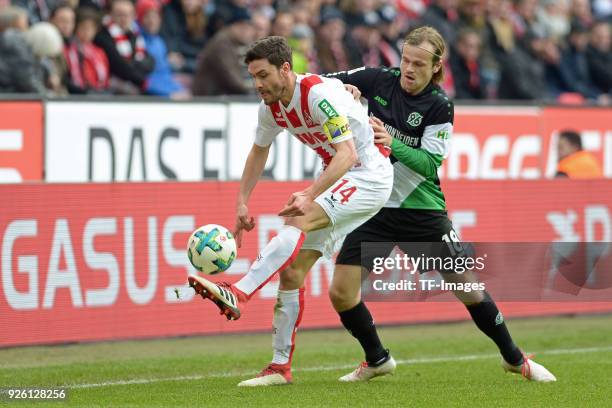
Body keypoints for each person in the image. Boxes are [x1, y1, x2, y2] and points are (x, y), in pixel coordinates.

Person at [324, 26, 556, 383]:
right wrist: (343, 90)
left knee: (468, 288)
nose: (409, 69)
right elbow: (319, 83)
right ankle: (377, 359)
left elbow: (430, 163)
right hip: (376, 206)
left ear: (436, 67)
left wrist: (392, 142)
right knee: (341, 293)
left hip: (422, 210)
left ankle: (514, 358)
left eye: (419, 63)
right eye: (405, 60)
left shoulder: (439, 105)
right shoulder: (376, 79)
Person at [187, 35, 394, 386]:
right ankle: (280, 367)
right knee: (293, 271)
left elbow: (348, 154)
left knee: (299, 215)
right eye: (253, 76)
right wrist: (241, 202)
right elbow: (258, 151)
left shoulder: (316, 95)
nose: (258, 84)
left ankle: (238, 292)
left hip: (367, 174)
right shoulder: (270, 107)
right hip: (339, 174)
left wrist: (310, 193)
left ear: (286, 69)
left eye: (263, 75)